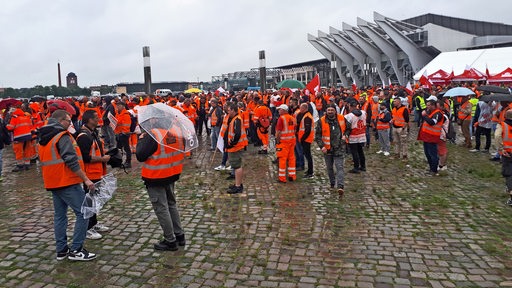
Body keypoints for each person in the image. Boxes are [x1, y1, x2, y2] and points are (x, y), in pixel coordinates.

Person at [38, 109, 97, 261]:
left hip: (53, 182)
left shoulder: (44, 136)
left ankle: (62, 250)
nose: (71, 124)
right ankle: (76, 250)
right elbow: (71, 160)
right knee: (84, 212)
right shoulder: (61, 136)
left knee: (60, 216)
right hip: (67, 181)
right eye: (68, 121)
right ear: (60, 121)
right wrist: (86, 179)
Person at [135, 122, 187, 251]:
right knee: (171, 204)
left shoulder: (153, 134)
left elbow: (140, 155)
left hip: (156, 175)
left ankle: (170, 240)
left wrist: (141, 139)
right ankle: (179, 235)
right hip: (172, 172)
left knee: (162, 208)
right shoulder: (176, 130)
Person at [76, 110, 111, 240]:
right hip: (90, 173)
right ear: (89, 120)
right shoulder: (84, 136)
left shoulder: (92, 133)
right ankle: (88, 227)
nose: (98, 120)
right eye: (96, 118)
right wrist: (102, 159)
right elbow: (85, 157)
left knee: (94, 200)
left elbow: (95, 150)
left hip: (97, 172)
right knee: (89, 201)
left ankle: (94, 223)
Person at [315, 104, 346, 196]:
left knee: (339, 167)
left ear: (335, 111)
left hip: (339, 148)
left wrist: (346, 135)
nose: (330, 112)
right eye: (329, 110)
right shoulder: (322, 121)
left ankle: (340, 186)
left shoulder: (341, 118)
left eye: (332, 110)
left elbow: (348, 128)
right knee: (329, 168)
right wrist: (322, 146)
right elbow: (318, 136)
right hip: (327, 149)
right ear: (326, 111)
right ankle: (332, 183)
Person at [223, 102, 248, 194]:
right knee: (235, 166)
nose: (227, 112)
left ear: (233, 110)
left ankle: (238, 186)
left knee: (237, 166)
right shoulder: (233, 118)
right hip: (234, 146)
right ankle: (238, 184)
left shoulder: (237, 119)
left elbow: (237, 134)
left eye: (229, 110)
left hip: (236, 147)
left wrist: (231, 144)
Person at [418, 96, 444, 175]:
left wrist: (424, 116)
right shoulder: (430, 112)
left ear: (433, 105)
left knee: (433, 154)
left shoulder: (438, 113)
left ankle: (434, 170)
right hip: (426, 136)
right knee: (427, 154)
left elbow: (432, 122)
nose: (427, 107)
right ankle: (431, 168)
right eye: (427, 105)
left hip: (432, 137)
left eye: (429, 105)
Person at [6, 105, 34, 172]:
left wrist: (7, 125)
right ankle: (27, 164)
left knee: (18, 150)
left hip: (19, 136)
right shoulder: (26, 117)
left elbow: (10, 127)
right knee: (27, 150)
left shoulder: (14, 118)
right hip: (28, 136)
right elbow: (31, 126)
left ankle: (20, 165)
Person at [275, 104, 296, 183]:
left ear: (283, 110)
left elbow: (279, 131)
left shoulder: (281, 118)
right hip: (292, 141)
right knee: (291, 158)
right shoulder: (292, 118)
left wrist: (277, 140)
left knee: (282, 159)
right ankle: (292, 176)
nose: (278, 111)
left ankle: (282, 178)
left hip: (283, 142)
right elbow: (294, 129)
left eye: (280, 109)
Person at [345, 101, 367, 173]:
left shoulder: (349, 116)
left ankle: (356, 167)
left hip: (353, 136)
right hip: (362, 134)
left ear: (350, 107)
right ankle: (363, 166)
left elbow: (347, 126)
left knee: (354, 152)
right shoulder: (363, 113)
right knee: (360, 151)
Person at [297, 103, 314, 178]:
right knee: (307, 155)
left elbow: (307, 130)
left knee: (308, 156)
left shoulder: (307, 117)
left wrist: (302, 139)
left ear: (304, 108)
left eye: (301, 108)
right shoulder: (306, 116)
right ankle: (309, 171)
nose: (300, 110)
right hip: (306, 139)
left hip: (306, 139)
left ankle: (310, 172)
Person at [499, 110, 512, 206]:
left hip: (507, 153)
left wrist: (500, 148)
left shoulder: (503, 125)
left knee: (508, 173)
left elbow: (496, 136)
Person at [114, 102, 132, 168]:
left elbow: (127, 126)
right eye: (117, 106)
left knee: (126, 149)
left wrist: (123, 133)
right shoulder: (118, 114)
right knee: (119, 149)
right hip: (118, 133)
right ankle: (119, 161)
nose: (117, 107)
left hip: (124, 134)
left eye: (119, 106)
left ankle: (128, 162)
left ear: (123, 106)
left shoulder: (125, 114)